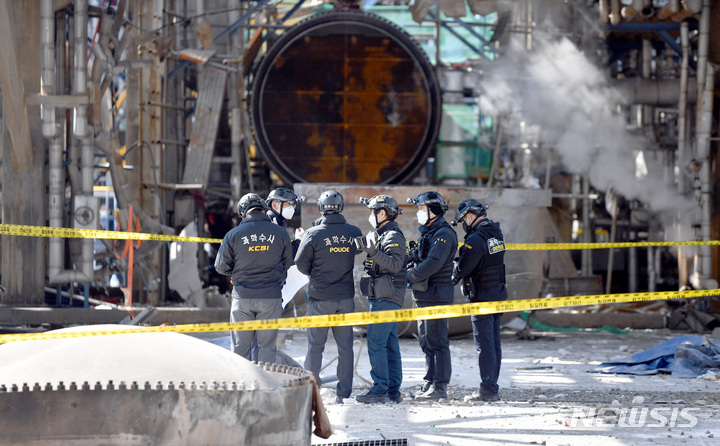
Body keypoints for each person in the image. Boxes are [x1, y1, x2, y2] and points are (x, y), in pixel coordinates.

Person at [295, 190, 362, 404]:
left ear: (321, 208)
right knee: (345, 348)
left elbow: (300, 263)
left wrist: (315, 272)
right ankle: (344, 393)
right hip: (345, 299)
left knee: (315, 347)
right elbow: (360, 251)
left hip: (320, 299)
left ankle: (309, 392)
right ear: (341, 208)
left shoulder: (313, 234)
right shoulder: (353, 232)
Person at [215, 193, 293, 364]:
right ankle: (266, 387)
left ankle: (242, 386)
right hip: (270, 298)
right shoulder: (280, 233)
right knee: (266, 348)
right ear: (264, 210)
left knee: (239, 349)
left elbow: (220, 266)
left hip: (242, 298)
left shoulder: (233, 234)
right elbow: (288, 262)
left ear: (243, 213)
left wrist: (236, 273)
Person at [452, 199, 507, 402]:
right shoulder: (495, 233)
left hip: (482, 296)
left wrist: (455, 270)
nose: (464, 223)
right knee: (494, 343)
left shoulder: (475, 239)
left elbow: (465, 268)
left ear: (469, 216)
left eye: (463, 219)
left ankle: (487, 390)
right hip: (498, 294)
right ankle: (491, 386)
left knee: (484, 344)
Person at [354, 195, 407, 404]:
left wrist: (372, 250)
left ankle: (380, 390)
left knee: (376, 343)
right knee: (390, 345)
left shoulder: (393, 235)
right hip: (384, 296)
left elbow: (394, 265)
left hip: (386, 298)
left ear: (382, 213)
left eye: (372, 211)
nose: (371, 215)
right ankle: (393, 390)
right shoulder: (383, 234)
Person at [406, 191, 457, 402]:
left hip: (436, 294)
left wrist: (408, 276)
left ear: (433, 210)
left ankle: (440, 386)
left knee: (437, 341)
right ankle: (430, 381)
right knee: (426, 341)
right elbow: (419, 256)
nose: (419, 213)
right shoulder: (429, 232)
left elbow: (433, 263)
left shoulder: (444, 234)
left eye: (421, 209)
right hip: (424, 295)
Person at [266, 187, 306, 257]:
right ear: (274, 205)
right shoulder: (271, 225)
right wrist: (298, 240)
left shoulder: (276, 222)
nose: (291, 208)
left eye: (292, 205)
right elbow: (287, 254)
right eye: (287, 204)